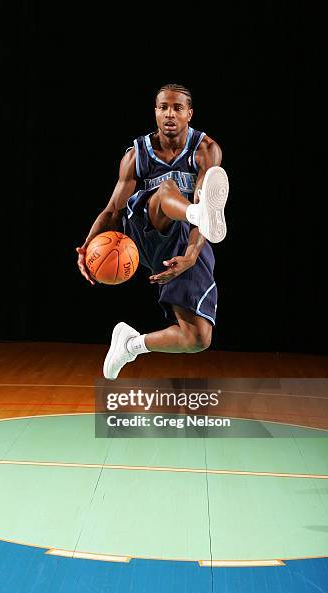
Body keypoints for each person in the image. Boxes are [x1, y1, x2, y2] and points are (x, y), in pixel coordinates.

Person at [77, 84, 229, 379]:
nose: (170, 114)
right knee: (166, 190)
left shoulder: (206, 150)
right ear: (156, 112)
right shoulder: (137, 155)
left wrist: (191, 255)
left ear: (189, 114)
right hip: (143, 232)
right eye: (163, 107)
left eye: (178, 108)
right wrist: (86, 246)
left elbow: (206, 218)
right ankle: (193, 210)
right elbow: (112, 210)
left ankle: (131, 344)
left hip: (186, 241)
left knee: (197, 338)